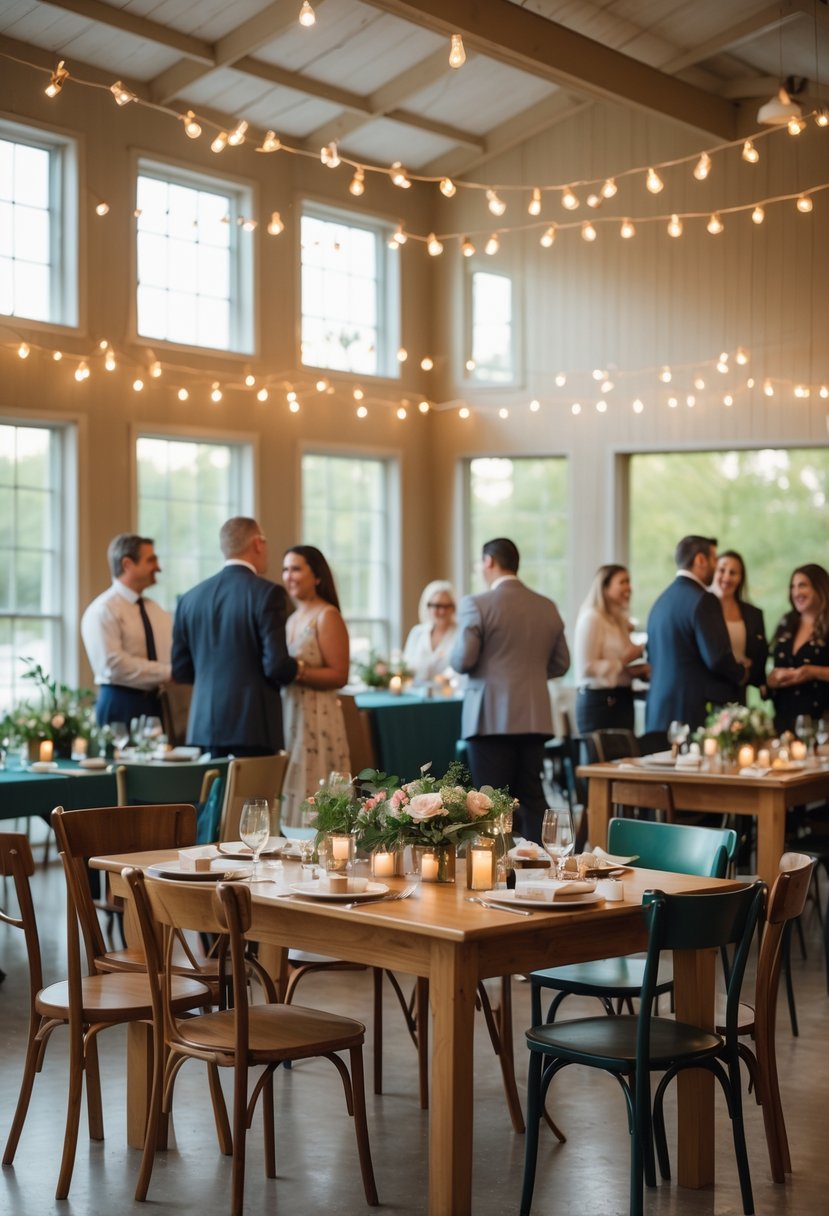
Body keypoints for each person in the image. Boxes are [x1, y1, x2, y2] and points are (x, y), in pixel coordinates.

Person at [450, 537, 570, 841]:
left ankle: (496, 872)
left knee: (489, 802)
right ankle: (544, 862)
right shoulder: (546, 606)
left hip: (489, 717)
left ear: (489, 561)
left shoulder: (477, 604)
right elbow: (561, 664)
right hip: (534, 717)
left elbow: (463, 660)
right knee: (531, 795)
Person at [171, 517, 297, 756]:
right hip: (253, 724)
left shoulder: (189, 599)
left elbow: (181, 671)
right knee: (256, 795)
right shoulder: (268, 594)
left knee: (214, 793)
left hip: (204, 725)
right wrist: (299, 667)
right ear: (258, 544)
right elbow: (277, 666)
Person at [645, 535, 747, 733]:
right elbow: (717, 658)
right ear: (700, 560)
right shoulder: (704, 600)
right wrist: (742, 673)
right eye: (714, 560)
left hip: (658, 712)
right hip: (690, 713)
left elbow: (652, 657)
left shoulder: (660, 602)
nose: (716, 566)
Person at [280, 545, 351, 826]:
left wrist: (296, 670)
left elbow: (339, 675)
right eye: (285, 569)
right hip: (290, 715)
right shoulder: (291, 619)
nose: (289, 576)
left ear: (317, 576)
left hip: (318, 718)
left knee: (316, 785)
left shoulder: (326, 615)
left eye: (296, 568)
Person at [81, 533, 172, 727]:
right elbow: (114, 665)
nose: (158, 567)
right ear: (127, 564)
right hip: (120, 704)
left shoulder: (156, 611)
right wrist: (168, 672)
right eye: (151, 560)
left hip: (157, 705)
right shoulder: (103, 610)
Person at [573, 564, 650, 734]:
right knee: (600, 761)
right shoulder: (591, 618)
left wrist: (636, 671)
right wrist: (622, 661)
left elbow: (617, 669)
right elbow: (585, 667)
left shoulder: (619, 621)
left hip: (622, 700)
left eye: (629, 582)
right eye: (622, 582)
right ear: (604, 587)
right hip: (599, 705)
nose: (628, 588)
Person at [767, 563, 829, 733]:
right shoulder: (786, 623)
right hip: (784, 723)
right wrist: (771, 680)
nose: (796, 592)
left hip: (822, 725)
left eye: (802, 585)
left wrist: (813, 671)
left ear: (820, 587)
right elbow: (772, 665)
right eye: (792, 587)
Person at [712, 549, 768, 701]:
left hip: (739, 691)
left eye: (733, 572)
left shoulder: (754, 614)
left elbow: (761, 655)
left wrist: (750, 666)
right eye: (722, 570)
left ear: (741, 578)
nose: (726, 577)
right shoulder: (701, 610)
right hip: (707, 691)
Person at [402, 580, 458, 684]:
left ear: (454, 607)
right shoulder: (417, 633)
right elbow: (406, 667)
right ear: (427, 606)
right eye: (436, 606)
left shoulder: (461, 634)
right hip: (416, 695)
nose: (442, 611)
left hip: (449, 697)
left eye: (446, 606)